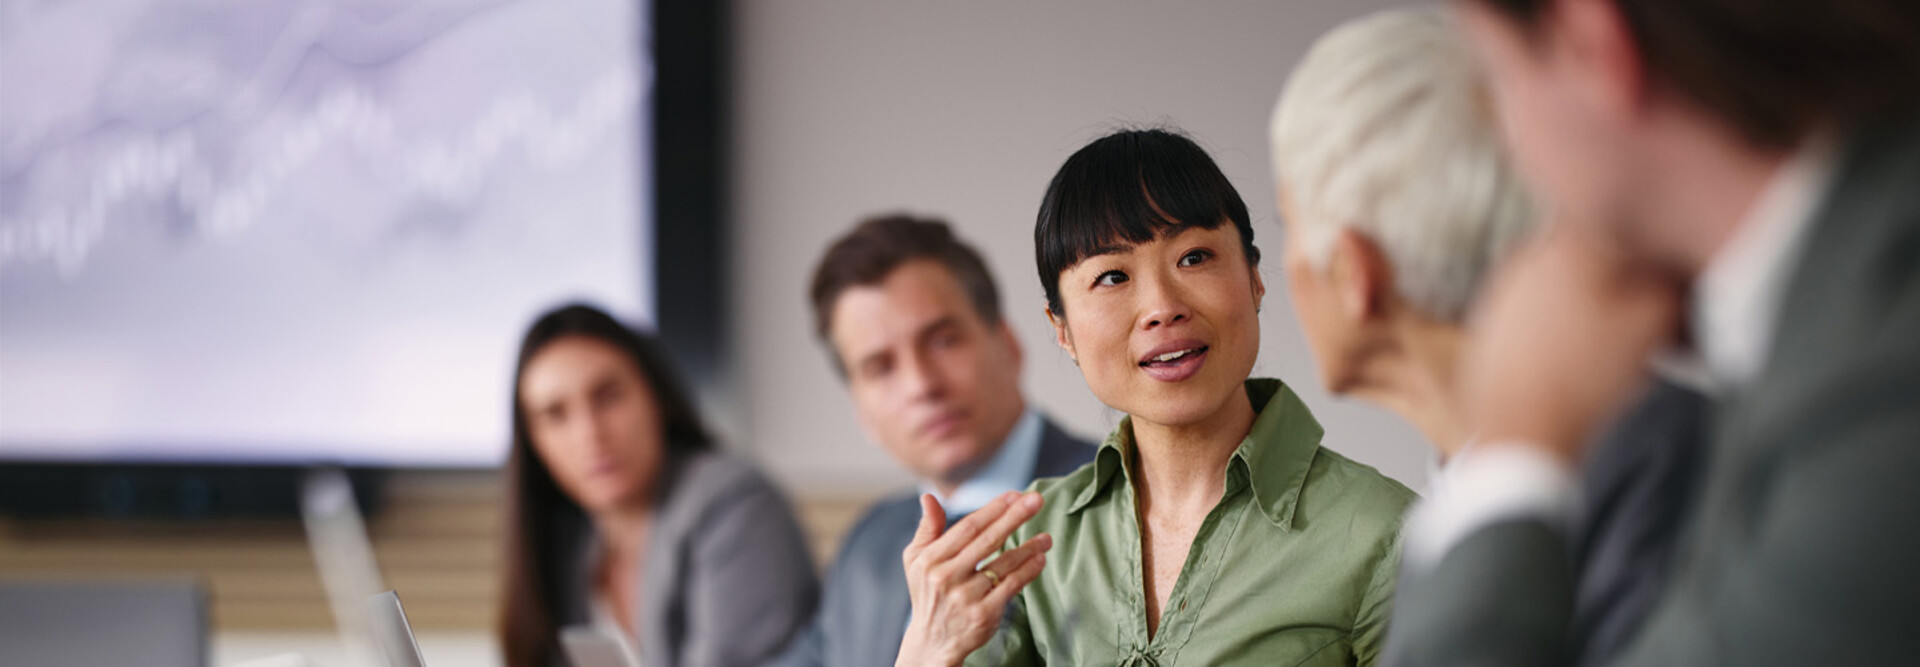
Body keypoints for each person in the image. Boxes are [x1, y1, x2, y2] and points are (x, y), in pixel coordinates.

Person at [1386, 0, 1920, 664]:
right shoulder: (1829, 309)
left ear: (1592, 47)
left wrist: (1515, 447)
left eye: (1497, 76)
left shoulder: (1873, 404)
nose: (1509, 136)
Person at [1266, 9, 1710, 665]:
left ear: (1355, 273)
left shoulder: (1658, 470)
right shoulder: (1457, 511)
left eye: (1288, 224)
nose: (1285, 267)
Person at [894, 128, 1417, 666]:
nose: (1162, 307)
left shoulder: (1388, 535)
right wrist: (924, 652)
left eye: (1194, 257)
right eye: (1112, 276)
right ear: (1062, 330)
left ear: (1255, 279)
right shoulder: (1030, 540)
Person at [771, 215, 1097, 667]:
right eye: (881, 367)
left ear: (1008, 345)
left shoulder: (1124, 499)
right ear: (860, 410)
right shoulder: (869, 543)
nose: (921, 385)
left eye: (943, 341)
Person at [498, 304, 818, 667]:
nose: (590, 434)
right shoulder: (575, 550)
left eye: (608, 396)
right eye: (555, 414)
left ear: (655, 397)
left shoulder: (736, 503)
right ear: (533, 443)